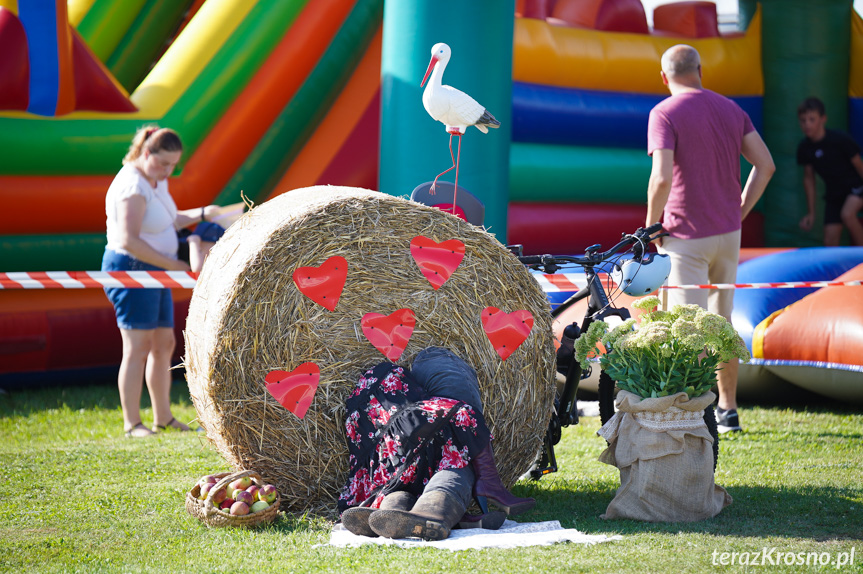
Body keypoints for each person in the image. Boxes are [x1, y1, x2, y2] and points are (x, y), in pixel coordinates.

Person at [645, 45, 775, 433]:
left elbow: (662, 178)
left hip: (685, 235)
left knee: (690, 327)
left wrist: (650, 228)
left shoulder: (664, 112)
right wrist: (739, 211)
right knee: (722, 323)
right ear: (700, 70)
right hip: (727, 234)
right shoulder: (732, 109)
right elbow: (765, 166)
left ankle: (691, 415)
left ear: (664, 78)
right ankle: (728, 410)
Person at [338, 348, 534, 540]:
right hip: (408, 440)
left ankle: (391, 509)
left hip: (384, 471)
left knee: (401, 488)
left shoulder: (357, 401)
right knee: (463, 417)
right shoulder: (394, 376)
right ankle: (456, 502)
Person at [102, 126, 219, 438]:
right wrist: (175, 265)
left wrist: (205, 213)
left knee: (164, 343)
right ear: (145, 153)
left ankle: (163, 417)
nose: (168, 171)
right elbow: (128, 240)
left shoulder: (155, 180)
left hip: (155, 270)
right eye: (163, 163)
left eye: (173, 165)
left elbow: (167, 218)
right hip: (133, 268)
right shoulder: (131, 184)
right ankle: (132, 423)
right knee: (137, 346)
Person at [796, 97, 863, 246]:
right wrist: (811, 213)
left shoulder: (840, 140)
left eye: (812, 119)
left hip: (856, 188)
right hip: (835, 195)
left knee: (847, 214)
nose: (807, 124)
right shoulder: (805, 148)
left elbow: (859, 165)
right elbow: (809, 179)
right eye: (803, 120)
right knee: (829, 241)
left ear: (823, 119)